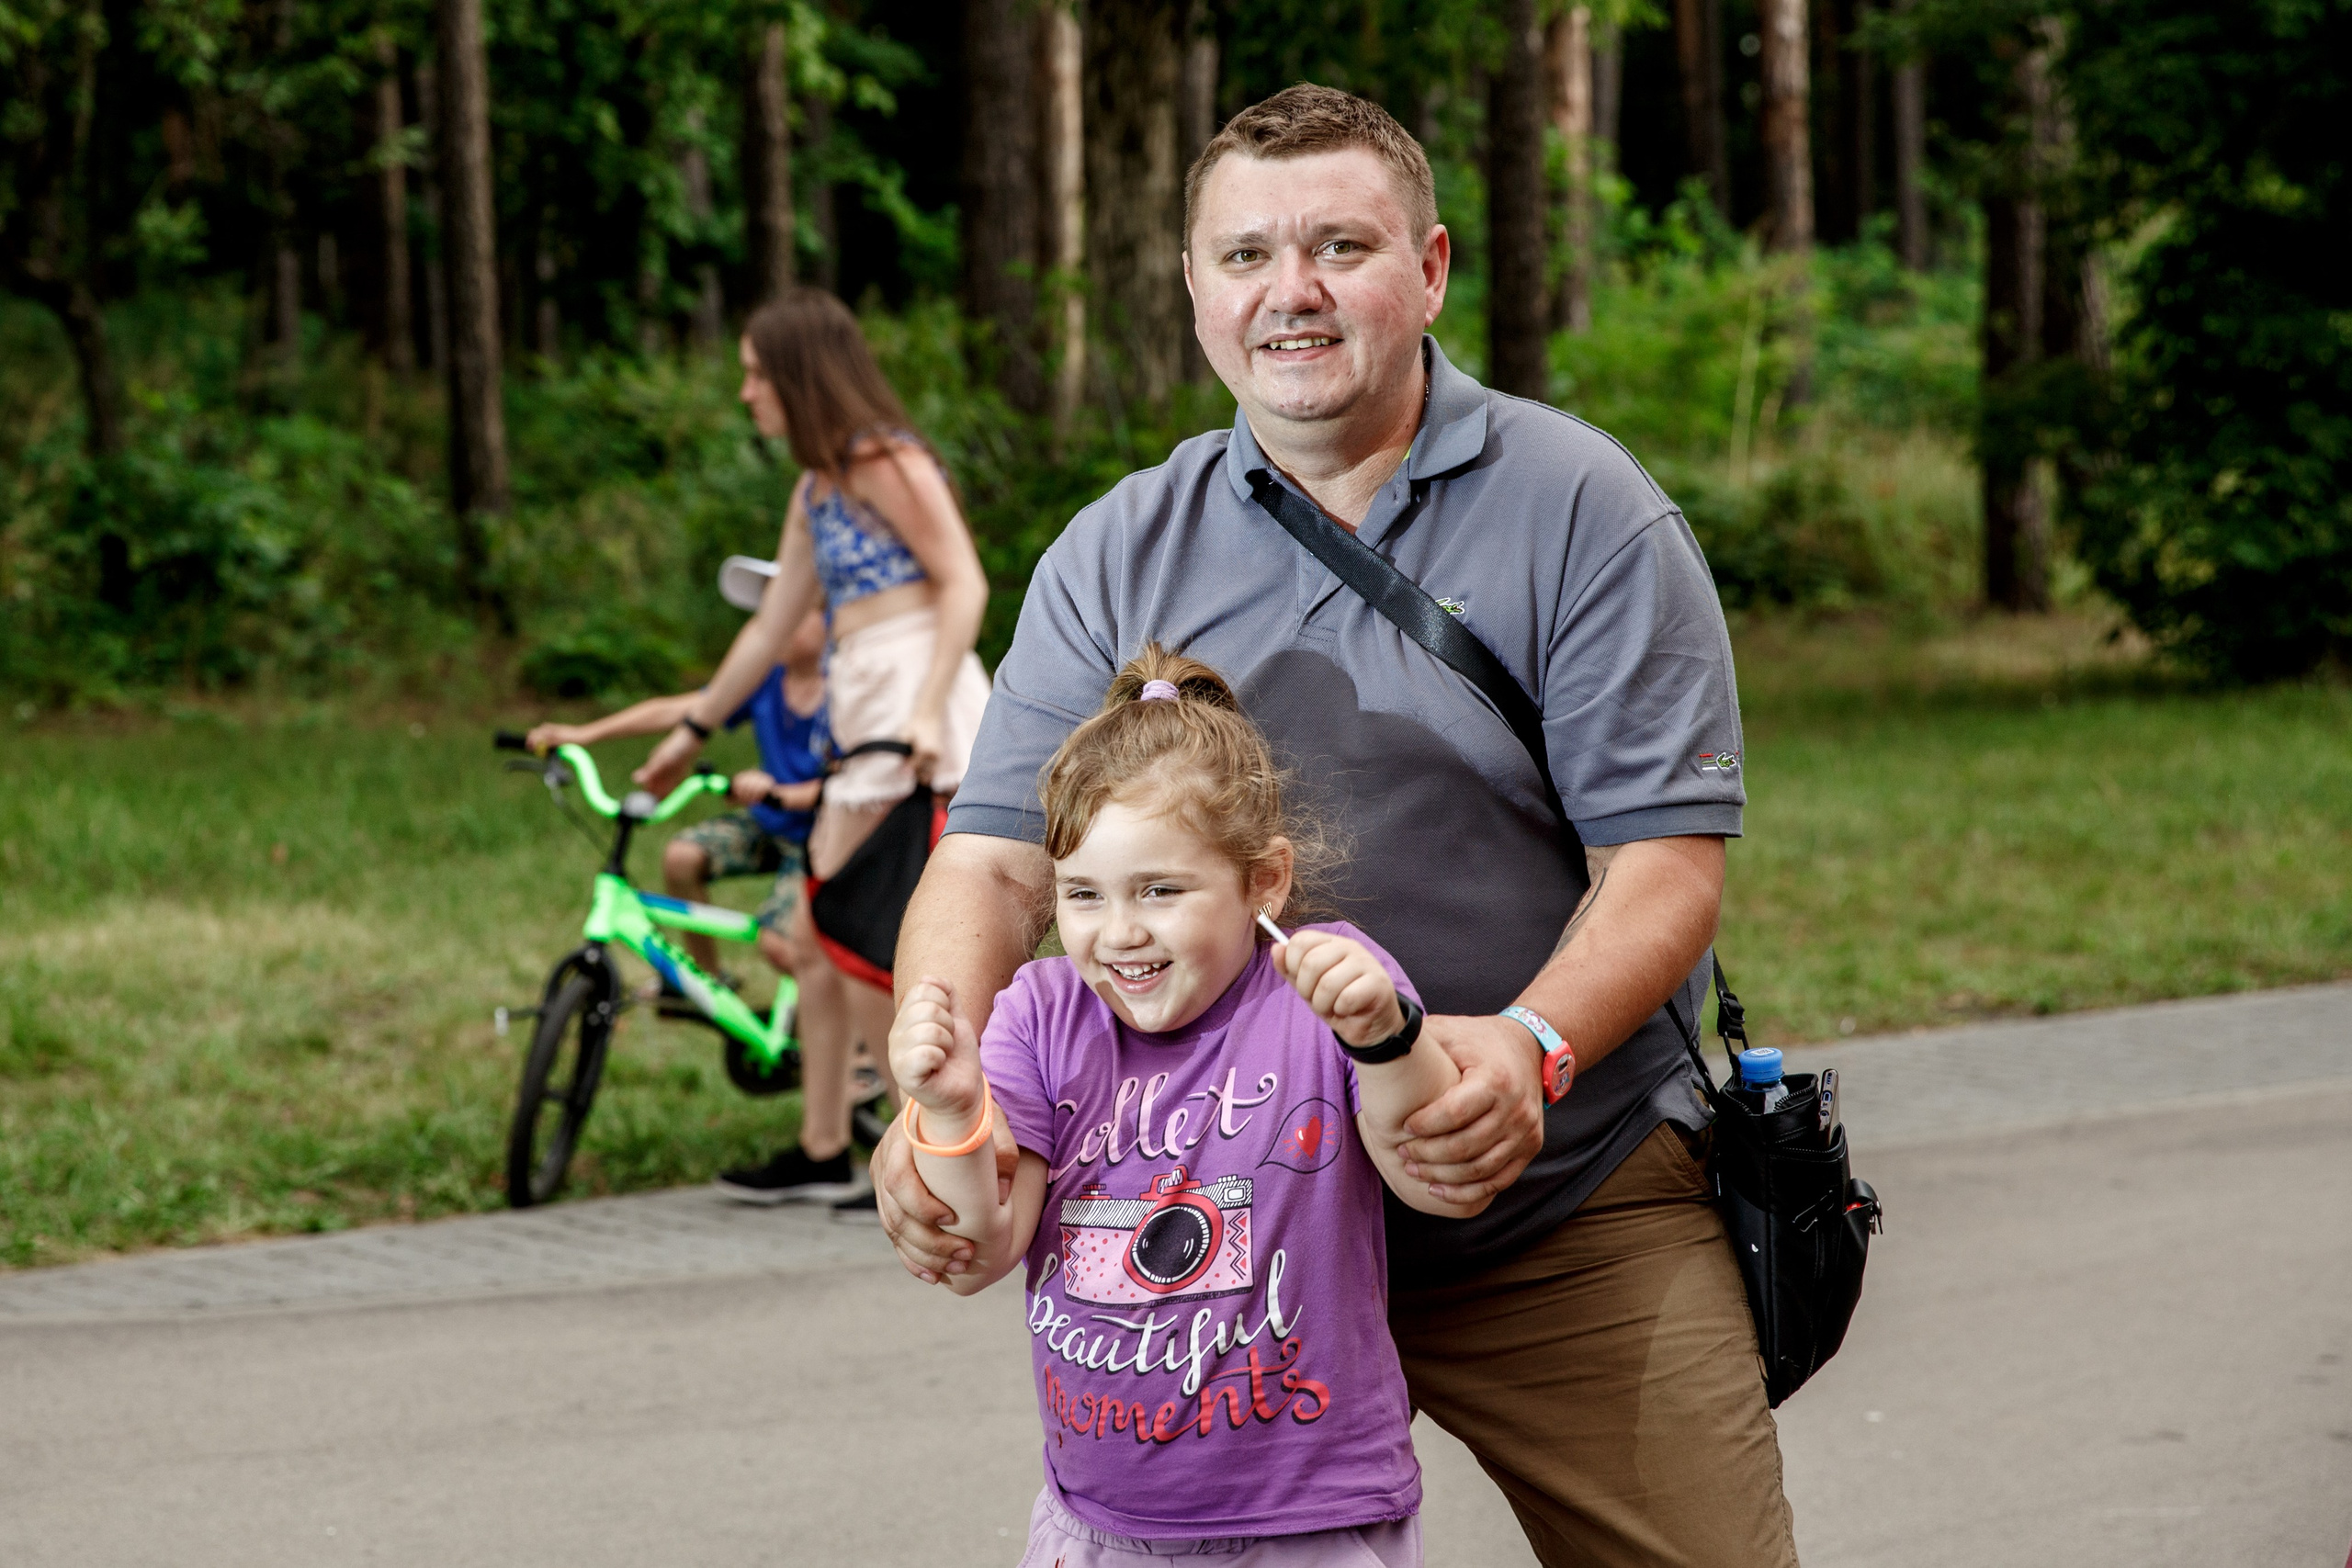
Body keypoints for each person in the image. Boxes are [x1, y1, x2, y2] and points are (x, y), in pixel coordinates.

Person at [874, 85, 1798, 1566]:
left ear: (1428, 270)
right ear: (1192, 291)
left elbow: (1667, 867)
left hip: (1552, 1209)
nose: (1288, 292)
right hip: (1207, 1246)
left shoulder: (1586, 510)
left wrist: (1531, 1045)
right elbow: (989, 860)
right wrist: (937, 1110)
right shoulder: (1117, 548)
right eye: (1244, 256)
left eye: (1338, 246)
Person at [891, 646, 1480, 1567]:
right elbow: (980, 1251)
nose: (1119, 932)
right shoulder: (1041, 1013)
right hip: (1098, 1526)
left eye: (1160, 891)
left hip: (1309, 1524)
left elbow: (1437, 1181)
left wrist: (1385, 1036)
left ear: (1263, 882)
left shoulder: (1329, 986)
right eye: (1082, 895)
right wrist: (950, 1109)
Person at [635, 288, 992, 1217]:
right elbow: (767, 633)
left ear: (799, 375)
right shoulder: (817, 489)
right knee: (821, 935)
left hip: (911, 710)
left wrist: (922, 707)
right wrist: (689, 730)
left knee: (847, 920)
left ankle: (926, 1139)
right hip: (863, 702)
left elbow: (962, 582)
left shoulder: (886, 460)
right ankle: (825, 1144)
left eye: (757, 374)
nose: (747, 393)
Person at [525, 606, 830, 988]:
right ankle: (702, 981)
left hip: (824, 836)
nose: (782, 623)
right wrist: (586, 734)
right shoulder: (764, 681)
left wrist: (779, 793)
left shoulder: (846, 692)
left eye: (798, 613)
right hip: (768, 821)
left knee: (782, 947)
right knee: (681, 857)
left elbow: (858, 781)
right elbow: (679, 709)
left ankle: (828, 1038)